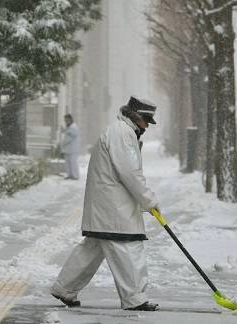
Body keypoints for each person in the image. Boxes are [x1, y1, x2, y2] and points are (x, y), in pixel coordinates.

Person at [51, 96, 161, 311]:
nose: (147, 126)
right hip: (114, 207)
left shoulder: (120, 131)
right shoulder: (122, 133)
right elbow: (130, 172)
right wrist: (149, 201)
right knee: (128, 247)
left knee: (91, 250)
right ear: (136, 117)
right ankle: (134, 298)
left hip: (106, 203)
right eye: (146, 121)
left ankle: (64, 288)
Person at [60, 114, 80, 180]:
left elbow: (69, 138)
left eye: (67, 120)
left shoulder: (74, 127)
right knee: (68, 163)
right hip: (68, 149)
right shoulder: (69, 127)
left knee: (73, 163)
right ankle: (70, 175)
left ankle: (75, 175)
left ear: (70, 119)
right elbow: (66, 133)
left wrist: (63, 144)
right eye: (65, 120)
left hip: (73, 149)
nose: (66, 121)